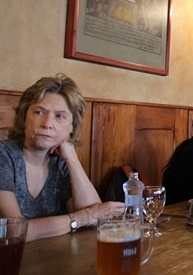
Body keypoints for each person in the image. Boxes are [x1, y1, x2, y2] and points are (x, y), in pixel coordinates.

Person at [0, 74, 124, 241]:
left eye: (59, 116)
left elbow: (97, 219)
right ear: (24, 118)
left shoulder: (61, 162)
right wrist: (81, 218)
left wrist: (72, 159)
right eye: (39, 112)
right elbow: (15, 230)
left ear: (71, 128)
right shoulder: (4, 155)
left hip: (52, 258)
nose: (47, 123)